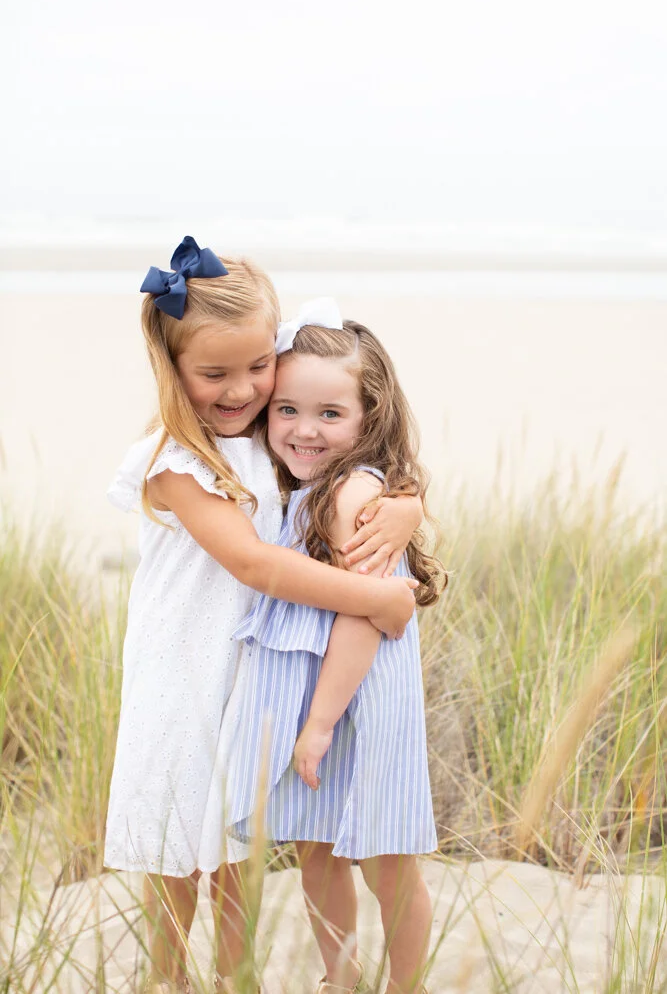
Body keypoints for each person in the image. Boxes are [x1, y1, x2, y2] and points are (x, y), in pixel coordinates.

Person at [103, 237, 425, 994]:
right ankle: (167, 979)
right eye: (214, 374)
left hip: (247, 671)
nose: (242, 389)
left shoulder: (265, 434)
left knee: (230, 845)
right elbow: (254, 563)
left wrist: (407, 506)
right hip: (182, 671)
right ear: (172, 369)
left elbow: (343, 465)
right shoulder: (174, 462)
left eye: (258, 366)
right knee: (176, 841)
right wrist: (379, 598)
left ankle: (234, 978)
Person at [222, 309, 446, 994]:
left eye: (330, 413)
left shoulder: (353, 492)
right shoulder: (301, 490)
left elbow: (362, 614)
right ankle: (339, 979)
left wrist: (319, 724)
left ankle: (405, 985)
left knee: (386, 860)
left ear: (368, 417)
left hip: (355, 700)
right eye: (287, 409)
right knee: (316, 852)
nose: (304, 430)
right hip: (315, 698)